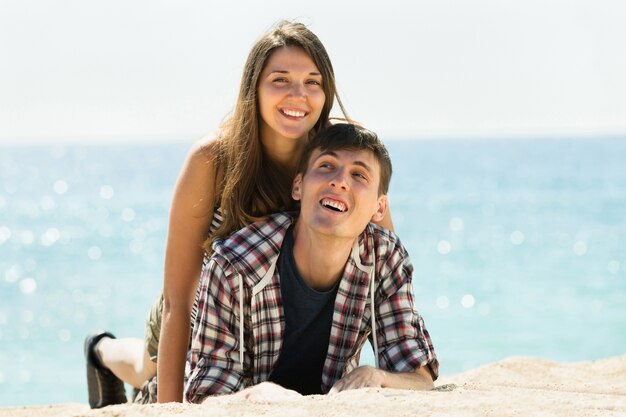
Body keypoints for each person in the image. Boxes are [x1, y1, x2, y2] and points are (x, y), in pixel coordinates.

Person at [84, 21, 394, 408]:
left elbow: (379, 264)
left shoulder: (341, 157)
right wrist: (171, 410)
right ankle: (101, 351)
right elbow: (179, 302)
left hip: (265, 328)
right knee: (147, 369)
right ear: (255, 88)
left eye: (313, 82)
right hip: (201, 311)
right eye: (280, 80)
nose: (298, 95)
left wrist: (396, 371)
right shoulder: (212, 159)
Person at [185, 123, 438, 402]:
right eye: (327, 166)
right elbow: (204, 398)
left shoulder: (385, 257)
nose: (340, 181)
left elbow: (419, 377)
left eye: (358, 174)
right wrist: (260, 394)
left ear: (379, 208)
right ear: (298, 186)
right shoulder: (233, 264)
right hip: (193, 341)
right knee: (143, 364)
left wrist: (376, 376)